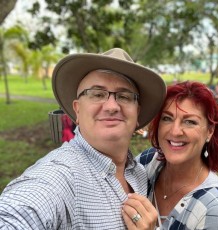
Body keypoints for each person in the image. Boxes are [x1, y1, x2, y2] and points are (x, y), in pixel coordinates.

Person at [0, 48, 166, 229]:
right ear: (77, 110)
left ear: (137, 114)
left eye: (124, 96)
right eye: (97, 94)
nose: (112, 106)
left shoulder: (139, 173)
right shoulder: (60, 177)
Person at [136, 81, 218, 229]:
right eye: (167, 118)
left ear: (209, 131)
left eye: (190, 122)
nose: (175, 131)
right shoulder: (147, 161)